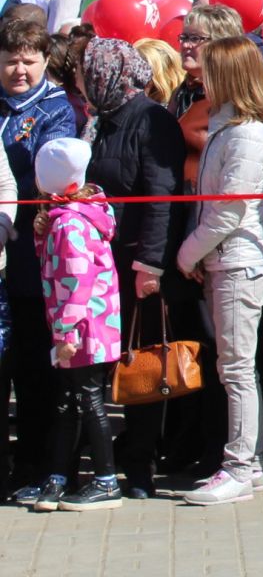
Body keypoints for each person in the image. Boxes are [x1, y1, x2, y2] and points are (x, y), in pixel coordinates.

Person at [76, 38, 186, 500]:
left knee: (140, 366)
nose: (80, 82)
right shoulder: (96, 123)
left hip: (136, 265)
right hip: (96, 265)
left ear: (107, 74)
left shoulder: (151, 119)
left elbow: (161, 196)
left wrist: (150, 265)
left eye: (86, 73)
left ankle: (139, 465)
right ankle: (102, 458)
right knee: (99, 364)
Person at [174, 38, 263, 506]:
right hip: (223, 259)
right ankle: (248, 461)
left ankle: (239, 466)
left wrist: (187, 254)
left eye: (211, 72)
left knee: (236, 368)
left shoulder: (249, 135)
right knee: (234, 366)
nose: (202, 79)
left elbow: (228, 211)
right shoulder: (225, 126)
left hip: (240, 261)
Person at [27, 137, 123, 513]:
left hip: (85, 331)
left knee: (88, 400)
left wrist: (66, 332)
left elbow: (77, 282)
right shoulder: (69, 215)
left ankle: (106, 480)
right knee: (69, 400)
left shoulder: (71, 224)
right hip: (78, 329)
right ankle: (60, 474)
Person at [0, 15, 75, 494]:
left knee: (32, 369)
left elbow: (50, 176)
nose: (19, 71)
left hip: (31, 256)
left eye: (28, 62)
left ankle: (34, 465)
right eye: (10, 62)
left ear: (45, 62)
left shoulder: (56, 109)